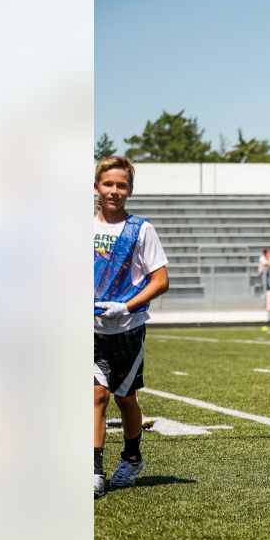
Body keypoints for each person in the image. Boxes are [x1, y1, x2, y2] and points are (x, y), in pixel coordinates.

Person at [93, 156, 170, 499]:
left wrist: (126, 305)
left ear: (130, 190)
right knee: (96, 395)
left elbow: (161, 280)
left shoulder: (141, 230)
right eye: (108, 183)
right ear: (96, 186)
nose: (114, 190)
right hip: (89, 329)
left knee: (125, 398)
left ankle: (132, 456)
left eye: (121, 185)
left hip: (128, 328)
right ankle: (94, 469)